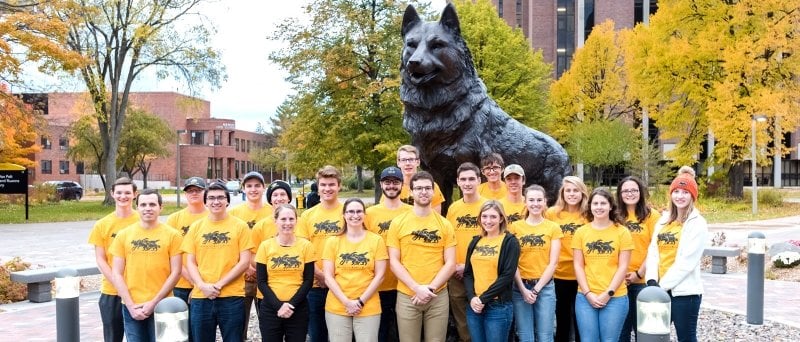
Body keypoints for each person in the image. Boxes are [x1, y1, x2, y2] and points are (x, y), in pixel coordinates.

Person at [387, 171, 456, 342]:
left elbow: (451, 263)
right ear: (411, 192)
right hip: (407, 293)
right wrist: (416, 288)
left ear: (433, 192)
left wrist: (430, 288)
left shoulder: (444, 224)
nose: (423, 192)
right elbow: (394, 262)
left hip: (437, 294)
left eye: (427, 188)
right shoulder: (398, 223)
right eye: (418, 188)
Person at [181, 182, 253, 342]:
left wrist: (219, 285)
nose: (216, 201)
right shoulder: (196, 227)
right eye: (211, 198)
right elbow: (190, 262)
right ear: (205, 202)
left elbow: (244, 261)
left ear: (228, 200)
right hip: (201, 296)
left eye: (220, 197)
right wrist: (201, 285)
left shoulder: (240, 226)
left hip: (232, 296)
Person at [109, 189, 182, 342]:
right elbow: (117, 273)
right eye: (143, 204)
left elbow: (176, 272)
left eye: (152, 204)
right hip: (132, 306)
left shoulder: (173, 235)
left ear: (161, 208)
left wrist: (154, 302)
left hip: (163, 305)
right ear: (137, 207)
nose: (147, 208)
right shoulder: (124, 235)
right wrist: (130, 305)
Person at [645, 167, 708, 342]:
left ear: (693, 196)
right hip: (657, 289)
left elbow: (686, 263)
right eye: (676, 191)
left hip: (684, 294)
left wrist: (660, 287)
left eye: (685, 192)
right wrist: (651, 281)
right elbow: (653, 252)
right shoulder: (663, 220)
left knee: (686, 338)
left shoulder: (697, 224)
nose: (680, 196)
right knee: (655, 337)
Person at [323, 198, 388, 342]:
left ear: (364, 215)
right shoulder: (332, 241)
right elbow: (328, 276)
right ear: (344, 215)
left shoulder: (376, 240)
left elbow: (380, 275)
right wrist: (346, 302)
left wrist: (360, 302)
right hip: (338, 304)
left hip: (368, 305)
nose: (355, 215)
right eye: (350, 211)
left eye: (359, 211)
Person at [572, 189, 633, 342]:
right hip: (586, 297)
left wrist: (608, 293)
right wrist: (588, 294)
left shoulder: (622, 232)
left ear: (611, 206)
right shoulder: (581, 232)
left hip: (615, 297)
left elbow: (623, 266)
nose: (599, 207)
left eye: (603, 203)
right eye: (595, 203)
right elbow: (578, 266)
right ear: (590, 206)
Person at [296, 165, 345, 342]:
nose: (327, 189)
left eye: (331, 184)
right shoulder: (308, 216)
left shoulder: (349, 211)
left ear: (339, 186)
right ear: (318, 187)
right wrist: (321, 275)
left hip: (344, 284)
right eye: (323, 185)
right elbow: (302, 251)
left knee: (342, 335)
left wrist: (333, 279)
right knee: (317, 335)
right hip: (316, 286)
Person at [88, 177, 140, 342]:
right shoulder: (102, 225)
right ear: (112, 194)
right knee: (112, 337)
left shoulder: (143, 220)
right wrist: (118, 284)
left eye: (127, 193)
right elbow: (101, 259)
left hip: (139, 290)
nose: (123, 196)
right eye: (119, 192)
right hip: (112, 292)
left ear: (134, 194)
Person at [508, 185, 562, 342]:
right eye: (531, 200)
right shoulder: (515, 227)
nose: (535, 204)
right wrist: (524, 290)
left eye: (539, 200)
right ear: (525, 202)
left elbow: (553, 263)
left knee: (545, 335)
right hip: (520, 287)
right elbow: (513, 263)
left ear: (545, 202)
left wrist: (536, 290)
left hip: (544, 287)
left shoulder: (553, 228)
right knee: (525, 335)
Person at [365, 166, 413, 342]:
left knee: (405, 334)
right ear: (381, 184)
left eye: (395, 182)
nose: (391, 186)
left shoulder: (411, 212)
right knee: (381, 333)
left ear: (402, 184)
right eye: (387, 182)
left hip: (405, 283)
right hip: (379, 284)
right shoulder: (369, 214)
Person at [255, 204, 314, 342]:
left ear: (296, 221)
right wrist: (279, 306)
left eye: (291, 219)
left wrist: (291, 305)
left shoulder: (306, 246)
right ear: (275, 221)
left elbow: (308, 280)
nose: (287, 223)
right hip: (271, 308)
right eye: (283, 219)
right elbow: (261, 282)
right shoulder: (265, 246)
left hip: (298, 308)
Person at [463, 200, 520, 342]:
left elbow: (507, 276)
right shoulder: (475, 241)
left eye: (493, 217)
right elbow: (468, 273)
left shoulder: (510, 241)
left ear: (501, 218)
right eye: (484, 216)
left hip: (498, 307)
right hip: (474, 306)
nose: (488, 221)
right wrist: (472, 298)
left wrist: (483, 299)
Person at [445, 162, 487, 342]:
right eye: (463, 179)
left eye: (471, 179)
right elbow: (448, 240)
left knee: (483, 314)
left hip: (483, 272)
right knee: (462, 321)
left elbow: (495, 241)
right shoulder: (454, 208)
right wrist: (454, 266)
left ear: (479, 180)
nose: (467, 183)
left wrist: (468, 266)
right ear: (458, 182)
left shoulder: (489, 207)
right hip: (456, 274)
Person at [227, 171, 271, 339]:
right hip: (241, 277)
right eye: (249, 186)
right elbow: (231, 245)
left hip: (266, 276)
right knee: (238, 326)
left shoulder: (272, 212)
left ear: (263, 188)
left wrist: (259, 270)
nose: (253, 189)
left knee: (268, 325)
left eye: (257, 186)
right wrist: (245, 268)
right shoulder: (234, 214)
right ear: (243, 189)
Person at [545, 176, 589, 342]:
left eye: (575, 190)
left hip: (582, 275)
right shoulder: (552, 214)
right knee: (562, 318)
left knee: (581, 319)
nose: (572, 194)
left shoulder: (588, 214)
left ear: (582, 192)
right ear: (562, 193)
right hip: (559, 275)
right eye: (568, 190)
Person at [617, 176, 660, 342]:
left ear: (640, 192)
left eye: (634, 190)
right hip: (618, 282)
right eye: (626, 190)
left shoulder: (651, 216)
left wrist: (639, 273)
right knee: (621, 330)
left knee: (642, 329)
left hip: (642, 282)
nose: (630, 193)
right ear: (620, 194)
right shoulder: (615, 215)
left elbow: (654, 248)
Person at [166, 177, 209, 304]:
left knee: (201, 324)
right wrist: (194, 281)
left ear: (205, 193)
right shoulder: (174, 219)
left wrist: (201, 283)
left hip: (207, 282)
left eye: (198, 190)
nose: (194, 193)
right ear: (185, 194)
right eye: (190, 191)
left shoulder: (212, 217)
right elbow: (170, 253)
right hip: (180, 282)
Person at [388, 144, 446, 213]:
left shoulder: (431, 187)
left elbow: (435, 218)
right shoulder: (391, 187)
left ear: (418, 162)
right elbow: (386, 213)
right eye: (404, 160)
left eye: (411, 159)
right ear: (398, 163)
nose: (407, 163)